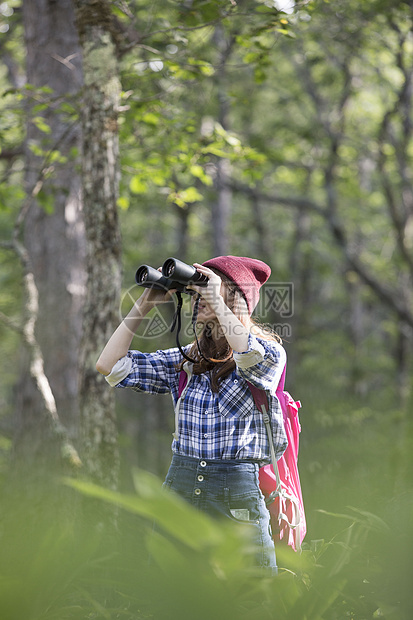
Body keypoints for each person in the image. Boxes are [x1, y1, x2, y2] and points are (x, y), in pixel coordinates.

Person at [96, 256, 288, 573]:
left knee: (250, 596)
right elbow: (111, 366)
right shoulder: (189, 358)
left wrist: (214, 295)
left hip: (235, 494)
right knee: (176, 597)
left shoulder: (269, 353)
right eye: (197, 291)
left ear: (236, 299)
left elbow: (247, 355)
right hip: (180, 487)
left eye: (208, 290)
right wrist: (145, 302)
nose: (198, 297)